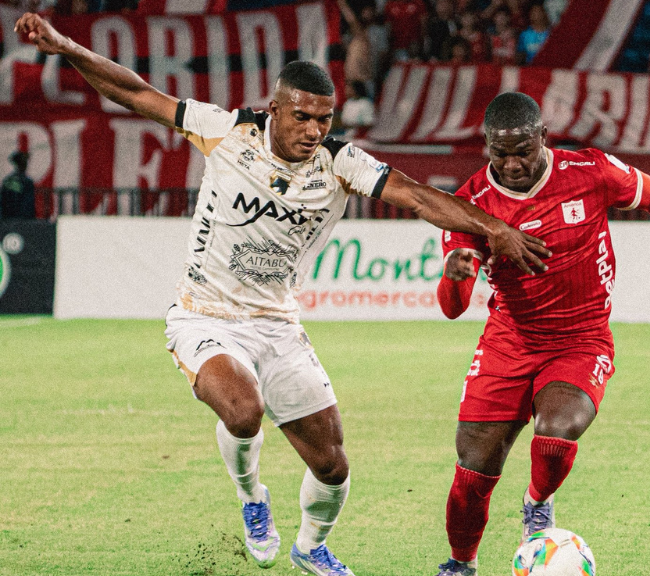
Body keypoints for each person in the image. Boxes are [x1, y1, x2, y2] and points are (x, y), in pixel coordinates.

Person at [15, 13, 552, 576]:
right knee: (243, 410)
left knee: (333, 466)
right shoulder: (226, 131)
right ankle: (253, 498)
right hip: (205, 316)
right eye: (302, 117)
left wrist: (494, 228)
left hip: (278, 325)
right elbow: (133, 92)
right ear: (274, 109)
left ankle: (310, 547)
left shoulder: (339, 163)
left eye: (324, 119)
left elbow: (418, 197)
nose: (314, 130)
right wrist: (65, 45)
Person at [432, 92, 650, 576]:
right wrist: (454, 277)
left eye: (522, 152)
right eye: (500, 153)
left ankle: (537, 503)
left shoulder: (589, 171)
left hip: (581, 339)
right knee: (474, 469)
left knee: (557, 432)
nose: (511, 165)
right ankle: (460, 563)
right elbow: (453, 309)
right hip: (509, 341)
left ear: (543, 138)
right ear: (487, 147)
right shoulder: (470, 205)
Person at [0, 151, 36, 220]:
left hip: (7, 219)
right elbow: (28, 204)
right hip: (21, 219)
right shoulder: (27, 181)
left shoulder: (7, 180)